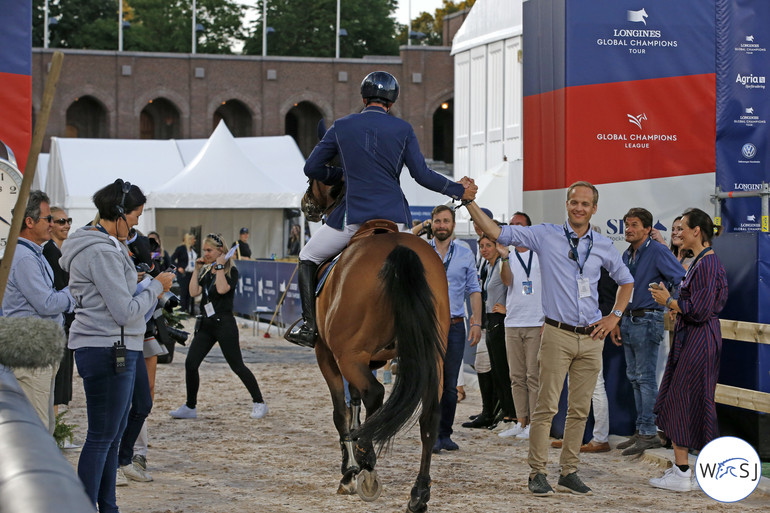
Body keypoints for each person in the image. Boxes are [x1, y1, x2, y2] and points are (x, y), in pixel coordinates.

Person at [465, 181, 634, 496]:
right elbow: (499, 232)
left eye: (585, 204)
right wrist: (469, 203)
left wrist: (614, 317)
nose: (579, 208)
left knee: (580, 410)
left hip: (591, 338)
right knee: (546, 408)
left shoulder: (603, 245)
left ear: (594, 208)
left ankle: (569, 471)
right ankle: (537, 472)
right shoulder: (545, 235)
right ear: (566, 205)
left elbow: (626, 281)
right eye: (574, 202)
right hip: (557, 333)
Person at [286, 71, 475, 347]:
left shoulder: (341, 126)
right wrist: (457, 189)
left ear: (363, 98)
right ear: (392, 102)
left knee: (307, 256)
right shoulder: (404, 129)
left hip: (352, 218)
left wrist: (338, 175)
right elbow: (422, 175)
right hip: (396, 219)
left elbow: (311, 168)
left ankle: (309, 325)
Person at [60, 179, 174, 512]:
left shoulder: (105, 246)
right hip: (108, 347)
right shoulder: (100, 250)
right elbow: (123, 312)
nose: (138, 222)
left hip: (110, 345)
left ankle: (108, 507)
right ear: (120, 212)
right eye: (136, 214)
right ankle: (84, 506)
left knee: (109, 437)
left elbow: (120, 303)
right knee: (101, 437)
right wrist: (154, 287)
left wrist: (145, 289)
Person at [648, 208, 727, 492]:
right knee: (681, 402)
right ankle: (684, 470)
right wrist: (675, 307)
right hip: (692, 337)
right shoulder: (701, 262)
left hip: (698, 340)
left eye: (682, 228)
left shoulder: (706, 264)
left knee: (684, 402)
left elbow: (700, 310)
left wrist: (670, 302)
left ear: (697, 231)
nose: (677, 232)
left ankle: (689, 474)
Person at [610, 208, 686, 457]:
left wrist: (673, 304)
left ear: (647, 228)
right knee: (634, 377)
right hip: (630, 318)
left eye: (634, 225)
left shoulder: (657, 250)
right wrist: (618, 319)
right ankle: (643, 429)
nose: (629, 229)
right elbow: (623, 289)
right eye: (626, 225)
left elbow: (681, 278)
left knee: (645, 377)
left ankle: (650, 432)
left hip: (648, 318)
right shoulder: (627, 253)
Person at [169, 233, 268, 420]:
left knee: (237, 365)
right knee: (191, 363)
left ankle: (259, 402)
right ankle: (190, 406)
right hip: (206, 323)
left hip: (224, 323)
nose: (205, 253)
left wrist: (221, 266)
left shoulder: (231, 271)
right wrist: (197, 270)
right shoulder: (207, 270)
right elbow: (193, 292)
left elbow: (222, 289)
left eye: (209, 250)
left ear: (220, 251)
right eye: (204, 250)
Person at [2, 192, 75, 434]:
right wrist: (73, 293)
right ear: (30, 222)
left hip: (38, 349)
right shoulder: (24, 258)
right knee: (37, 429)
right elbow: (45, 303)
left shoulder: (34, 253)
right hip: (32, 351)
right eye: (48, 219)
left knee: (43, 425)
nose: (53, 225)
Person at [428, 205, 482, 453]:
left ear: (453, 224)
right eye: (437, 221)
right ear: (431, 224)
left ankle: (444, 433)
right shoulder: (421, 251)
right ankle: (429, 433)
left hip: (455, 327)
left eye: (446, 221)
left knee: (450, 384)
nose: (441, 225)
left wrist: (476, 322)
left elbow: (474, 290)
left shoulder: (464, 253)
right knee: (430, 382)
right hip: (427, 327)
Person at [498, 211, 544, 441]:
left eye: (519, 225)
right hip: (513, 322)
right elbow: (507, 281)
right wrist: (504, 258)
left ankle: (534, 424)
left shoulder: (540, 255)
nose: (514, 228)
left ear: (528, 229)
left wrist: (548, 319)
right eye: (511, 225)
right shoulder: (507, 255)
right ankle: (520, 421)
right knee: (516, 376)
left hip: (536, 322)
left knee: (533, 375)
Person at [477, 233, 516, 431]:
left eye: (488, 245)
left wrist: (508, 309)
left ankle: (511, 416)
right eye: (482, 246)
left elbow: (515, 288)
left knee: (503, 371)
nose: (484, 249)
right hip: (490, 321)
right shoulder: (489, 266)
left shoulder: (503, 264)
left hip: (501, 321)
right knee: (497, 372)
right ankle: (504, 414)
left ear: (497, 246)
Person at [42, 207, 76, 424]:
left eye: (68, 220)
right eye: (61, 221)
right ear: (50, 223)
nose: (66, 225)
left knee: (62, 378)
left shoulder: (63, 250)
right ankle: (56, 429)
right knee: (56, 380)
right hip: (57, 321)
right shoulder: (48, 252)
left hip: (67, 322)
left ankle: (58, 426)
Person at [171, 233, 197, 314]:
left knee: (190, 293)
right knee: (184, 292)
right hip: (183, 274)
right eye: (193, 239)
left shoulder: (193, 250)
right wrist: (178, 267)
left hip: (192, 273)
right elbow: (172, 259)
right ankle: (182, 310)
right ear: (189, 240)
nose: (195, 241)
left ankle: (189, 310)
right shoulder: (181, 248)